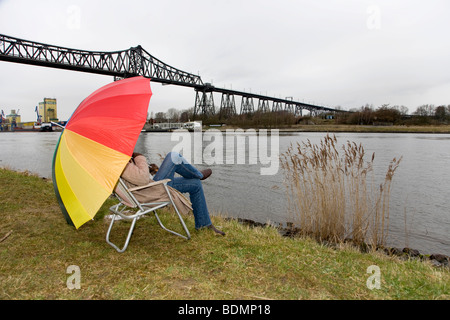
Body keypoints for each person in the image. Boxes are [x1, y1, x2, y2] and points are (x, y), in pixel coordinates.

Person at [119, 151, 225, 236]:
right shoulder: (117, 160)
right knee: (173, 156)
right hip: (149, 193)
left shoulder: (113, 158)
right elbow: (142, 179)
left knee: (195, 184)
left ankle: (203, 224)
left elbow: (136, 177)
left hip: (145, 190)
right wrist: (139, 157)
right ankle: (198, 175)